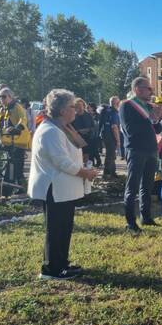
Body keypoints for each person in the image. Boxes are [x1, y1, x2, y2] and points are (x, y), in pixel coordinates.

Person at [28, 88, 97, 280]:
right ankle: (52, 269)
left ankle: (62, 264)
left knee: (64, 227)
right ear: (61, 110)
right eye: (72, 106)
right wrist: (86, 173)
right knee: (56, 228)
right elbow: (62, 162)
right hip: (55, 188)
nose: (76, 110)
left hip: (64, 188)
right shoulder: (50, 131)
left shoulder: (61, 128)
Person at [119, 77, 162, 232]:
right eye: (148, 88)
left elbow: (157, 130)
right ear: (137, 89)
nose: (151, 91)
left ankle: (146, 217)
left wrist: (155, 118)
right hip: (136, 150)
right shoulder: (126, 106)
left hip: (151, 150)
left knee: (147, 185)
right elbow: (130, 130)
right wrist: (149, 118)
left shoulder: (147, 106)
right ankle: (130, 222)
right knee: (132, 187)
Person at [0, 87, 30, 192]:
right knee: (9, 166)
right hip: (7, 142)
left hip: (18, 141)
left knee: (17, 167)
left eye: (4, 96)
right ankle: (11, 189)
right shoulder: (1, 109)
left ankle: (23, 189)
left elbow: (23, 119)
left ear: (10, 97)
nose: (1, 99)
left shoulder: (17, 107)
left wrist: (17, 128)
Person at [100, 97, 121, 177]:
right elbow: (114, 127)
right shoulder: (114, 113)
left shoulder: (106, 111)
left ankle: (110, 172)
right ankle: (109, 173)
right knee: (111, 155)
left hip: (105, 135)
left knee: (110, 154)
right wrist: (118, 140)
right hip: (111, 136)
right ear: (117, 104)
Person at [72, 98, 95, 164]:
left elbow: (93, 127)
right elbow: (70, 127)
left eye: (81, 105)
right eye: (77, 106)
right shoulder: (73, 116)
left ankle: (85, 169)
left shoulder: (88, 115)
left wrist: (87, 130)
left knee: (87, 156)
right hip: (77, 139)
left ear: (83, 106)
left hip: (88, 139)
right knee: (78, 156)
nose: (79, 107)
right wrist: (78, 131)